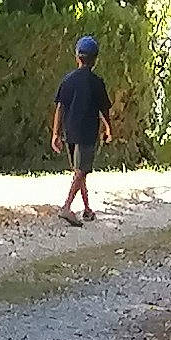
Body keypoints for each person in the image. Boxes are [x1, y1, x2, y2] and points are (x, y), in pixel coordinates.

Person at [52, 34, 113, 226]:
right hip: (87, 132)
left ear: (77, 57)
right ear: (96, 59)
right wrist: (109, 130)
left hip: (70, 131)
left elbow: (60, 107)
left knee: (80, 172)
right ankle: (67, 207)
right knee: (81, 171)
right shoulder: (97, 82)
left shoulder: (68, 81)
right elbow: (104, 110)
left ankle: (87, 209)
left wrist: (55, 133)